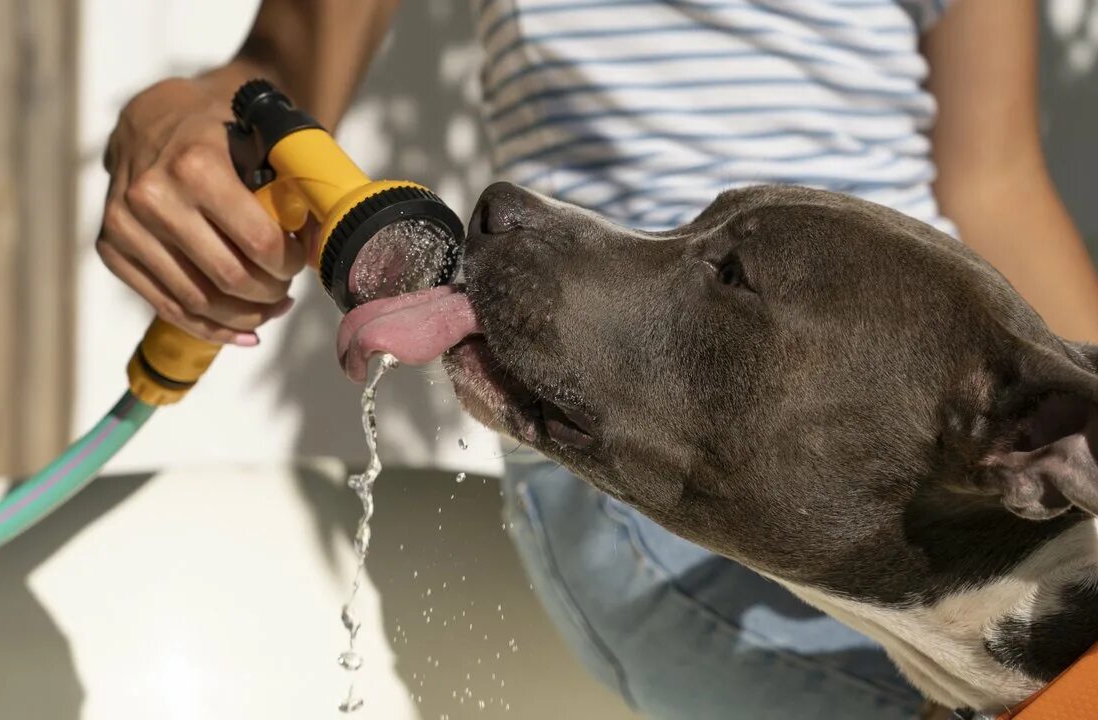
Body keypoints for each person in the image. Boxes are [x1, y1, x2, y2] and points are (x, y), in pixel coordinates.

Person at [97, 1, 1098, 717]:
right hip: (654, 445)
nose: (500, 209)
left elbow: (996, 182)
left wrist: (1071, 434)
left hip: (919, 427)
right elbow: (268, 74)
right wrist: (168, 125)